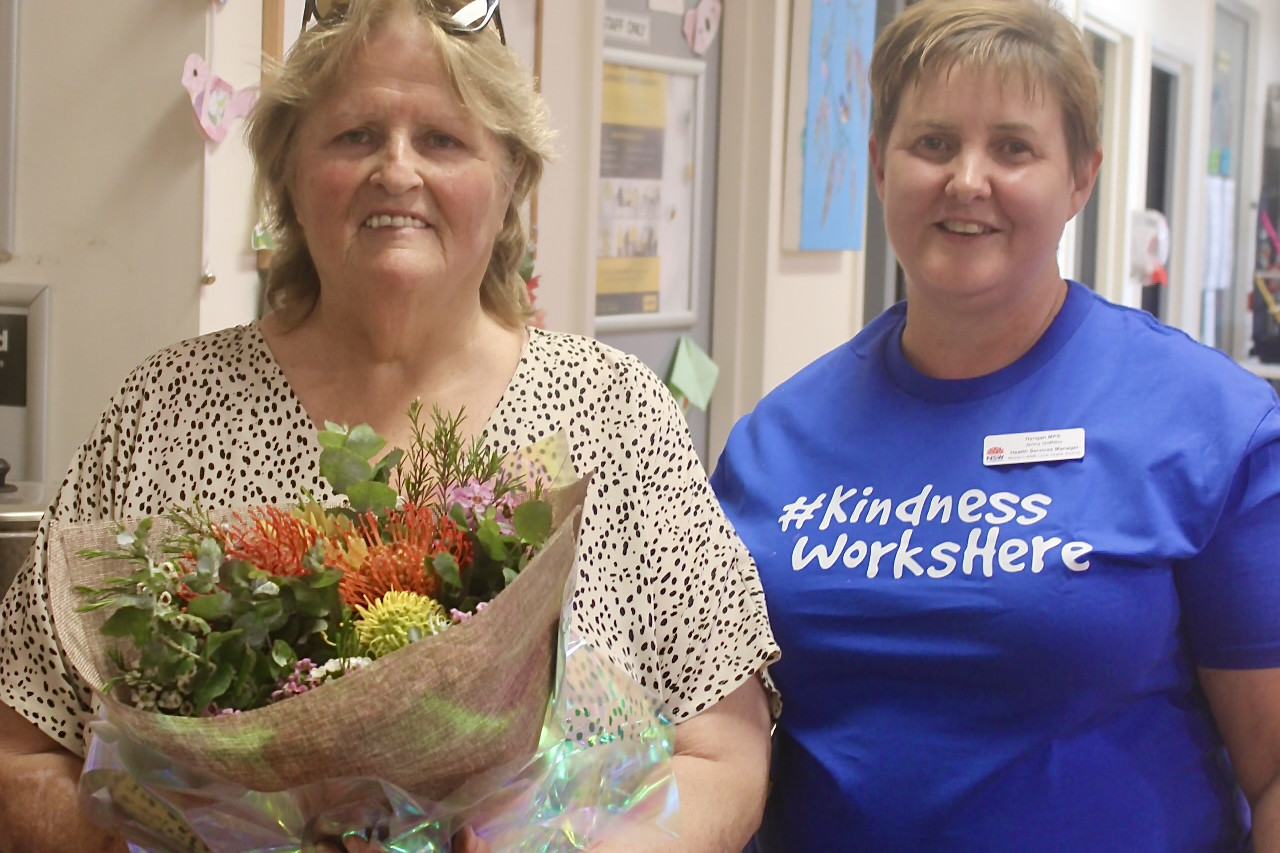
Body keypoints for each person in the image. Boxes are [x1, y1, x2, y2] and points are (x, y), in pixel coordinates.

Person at [0, 1, 778, 851]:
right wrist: (162, 837)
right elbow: (23, 747)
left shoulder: (615, 415)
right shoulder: (165, 412)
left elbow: (724, 755)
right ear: (288, 168)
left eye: (443, 139)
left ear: (512, 173)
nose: (396, 171)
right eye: (354, 136)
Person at [710, 0, 1280, 850]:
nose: (967, 179)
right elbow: (708, 736)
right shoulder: (772, 444)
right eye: (933, 142)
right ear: (877, 164)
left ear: (1080, 177)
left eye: (1014, 147)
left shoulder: (1208, 425)